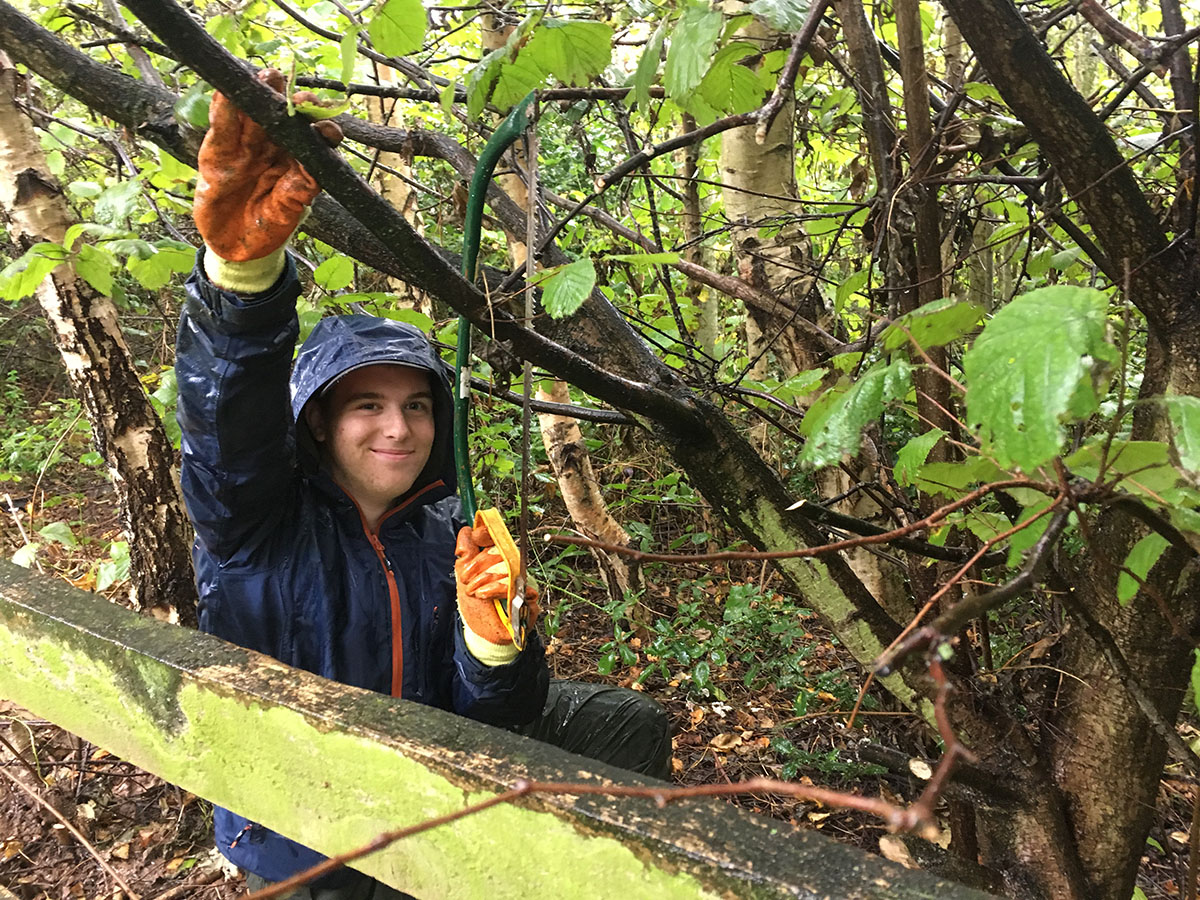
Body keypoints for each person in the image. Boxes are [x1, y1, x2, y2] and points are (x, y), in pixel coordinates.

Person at [176, 70, 671, 899]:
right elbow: (226, 420)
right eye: (366, 405)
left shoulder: (447, 530)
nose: (398, 428)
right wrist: (241, 281)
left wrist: (497, 646)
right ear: (321, 424)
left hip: (434, 787)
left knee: (628, 726)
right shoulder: (255, 518)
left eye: (416, 405)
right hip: (306, 824)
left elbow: (498, 720)